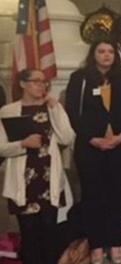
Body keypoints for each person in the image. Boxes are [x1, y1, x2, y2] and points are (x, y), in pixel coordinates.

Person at [65, 40, 121, 264]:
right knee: (92, 197)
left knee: (116, 196)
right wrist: (93, 139)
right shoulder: (80, 78)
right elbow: (72, 114)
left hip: (119, 146)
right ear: (93, 54)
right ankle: (95, 246)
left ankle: (115, 244)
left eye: (110, 52)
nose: (106, 55)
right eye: (101, 51)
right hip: (90, 147)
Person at [0, 69, 75, 264]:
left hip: (48, 180)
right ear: (23, 84)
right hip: (23, 183)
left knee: (50, 235)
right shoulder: (8, 111)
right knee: (29, 234)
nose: (41, 86)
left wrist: (55, 108)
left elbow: (67, 137)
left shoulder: (52, 108)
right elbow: (1, 147)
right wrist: (22, 144)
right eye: (36, 81)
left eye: (44, 82)